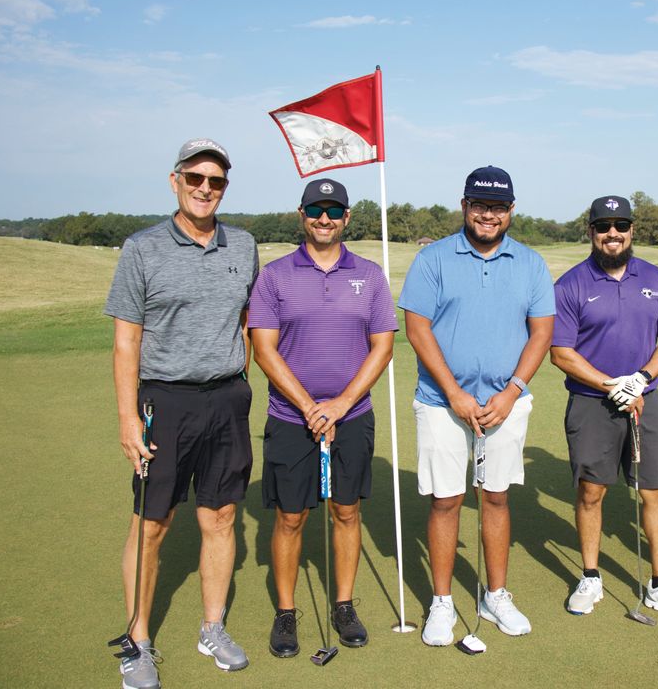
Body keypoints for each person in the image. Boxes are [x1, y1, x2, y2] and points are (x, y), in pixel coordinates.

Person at [105, 139, 257, 689]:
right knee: (153, 521)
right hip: (163, 401)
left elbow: (246, 318)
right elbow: (126, 343)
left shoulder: (242, 244)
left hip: (226, 399)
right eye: (195, 177)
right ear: (175, 180)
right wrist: (127, 418)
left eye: (215, 181)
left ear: (224, 188)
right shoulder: (142, 248)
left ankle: (211, 627)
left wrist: (242, 379)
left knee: (220, 517)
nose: (204, 188)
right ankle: (138, 639)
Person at [398, 166, 555, 647]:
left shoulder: (530, 263)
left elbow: (541, 332)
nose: (489, 215)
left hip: (505, 404)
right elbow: (418, 328)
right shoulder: (434, 258)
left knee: (496, 495)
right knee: (446, 500)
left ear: (511, 210)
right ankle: (442, 602)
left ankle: (496, 593)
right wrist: (455, 393)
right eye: (480, 205)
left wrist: (511, 391)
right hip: (442, 402)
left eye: (499, 207)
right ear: (465, 206)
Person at [248, 179, 396, 656]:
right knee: (291, 517)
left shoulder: (370, 276)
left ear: (348, 218)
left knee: (347, 510)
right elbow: (263, 349)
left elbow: (383, 346)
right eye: (316, 210)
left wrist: (340, 405)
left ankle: (344, 604)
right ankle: (286, 613)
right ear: (302, 214)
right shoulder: (274, 275)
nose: (324, 219)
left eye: (334, 211)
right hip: (291, 418)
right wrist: (311, 406)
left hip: (352, 417)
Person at [550, 196, 658, 621]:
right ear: (591, 231)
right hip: (591, 403)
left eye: (620, 225)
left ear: (632, 230)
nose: (612, 233)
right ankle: (591, 575)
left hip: (645, 402)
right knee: (591, 492)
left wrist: (642, 378)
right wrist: (610, 384)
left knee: (657, 491)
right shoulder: (572, 284)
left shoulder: (654, 278)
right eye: (603, 226)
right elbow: (560, 352)